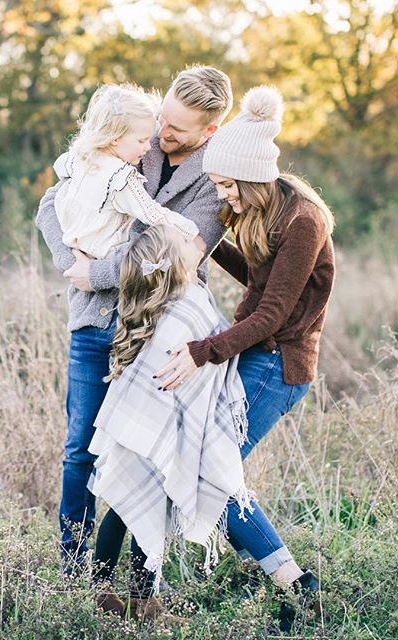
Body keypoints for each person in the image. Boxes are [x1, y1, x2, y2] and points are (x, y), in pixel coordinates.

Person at [36, 66, 234, 569]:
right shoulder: (131, 131)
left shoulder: (217, 175)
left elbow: (183, 258)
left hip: (158, 328)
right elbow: (51, 203)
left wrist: (96, 271)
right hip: (92, 321)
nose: (161, 135)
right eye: (163, 117)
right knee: (81, 446)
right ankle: (73, 563)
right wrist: (70, 266)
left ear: (209, 132)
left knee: (146, 452)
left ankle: (140, 574)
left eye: (177, 129)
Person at [154, 85, 335, 629]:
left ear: (255, 178)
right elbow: (257, 279)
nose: (224, 197)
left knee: (214, 475)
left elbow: (273, 313)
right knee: (215, 473)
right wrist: (194, 240)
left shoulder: (303, 221)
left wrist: (201, 352)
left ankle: (301, 590)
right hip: (252, 353)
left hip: (278, 365)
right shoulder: (260, 211)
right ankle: (296, 585)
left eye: (229, 186)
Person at [87, 224, 253, 622]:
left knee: (134, 505)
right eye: (184, 242)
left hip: (141, 425)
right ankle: (119, 596)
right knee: (137, 505)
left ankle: (123, 595)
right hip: (150, 424)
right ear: (173, 261)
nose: (194, 244)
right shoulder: (186, 304)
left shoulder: (165, 302)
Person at [53, 83, 200, 261]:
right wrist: (190, 230)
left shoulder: (81, 156)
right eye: (142, 141)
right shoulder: (120, 178)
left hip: (73, 241)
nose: (148, 147)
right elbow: (152, 213)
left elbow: (59, 166)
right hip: (106, 252)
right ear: (115, 138)